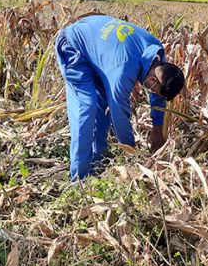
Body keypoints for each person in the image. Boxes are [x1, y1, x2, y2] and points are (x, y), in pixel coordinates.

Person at [56, 14, 185, 180]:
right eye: (153, 90)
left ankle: (98, 163)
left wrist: (157, 130)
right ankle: (79, 178)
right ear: (152, 80)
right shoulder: (123, 71)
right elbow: (119, 116)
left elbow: (158, 98)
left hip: (99, 48)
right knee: (87, 106)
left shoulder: (157, 55)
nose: (152, 93)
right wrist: (131, 153)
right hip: (74, 45)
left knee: (101, 109)